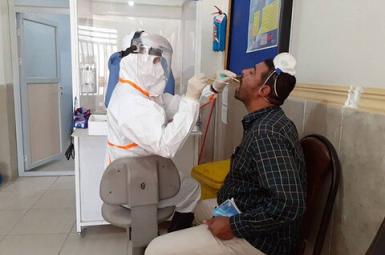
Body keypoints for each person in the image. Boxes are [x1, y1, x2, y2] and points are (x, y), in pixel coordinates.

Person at [145, 53, 307, 255]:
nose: (244, 71)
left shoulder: (267, 133)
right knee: (199, 206)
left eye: (252, 72)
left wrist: (233, 225)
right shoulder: (265, 121)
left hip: (263, 241)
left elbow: (289, 204)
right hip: (242, 209)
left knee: (156, 250)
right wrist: (212, 89)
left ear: (263, 90)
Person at [105, 32, 236, 232]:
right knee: (192, 191)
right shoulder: (131, 102)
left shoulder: (143, 94)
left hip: (139, 174)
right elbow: (166, 146)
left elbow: (182, 105)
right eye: (155, 60)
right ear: (136, 59)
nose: (161, 68)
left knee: (188, 186)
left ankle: (161, 238)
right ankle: (172, 239)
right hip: (134, 183)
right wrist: (191, 98)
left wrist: (213, 88)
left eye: (161, 61)